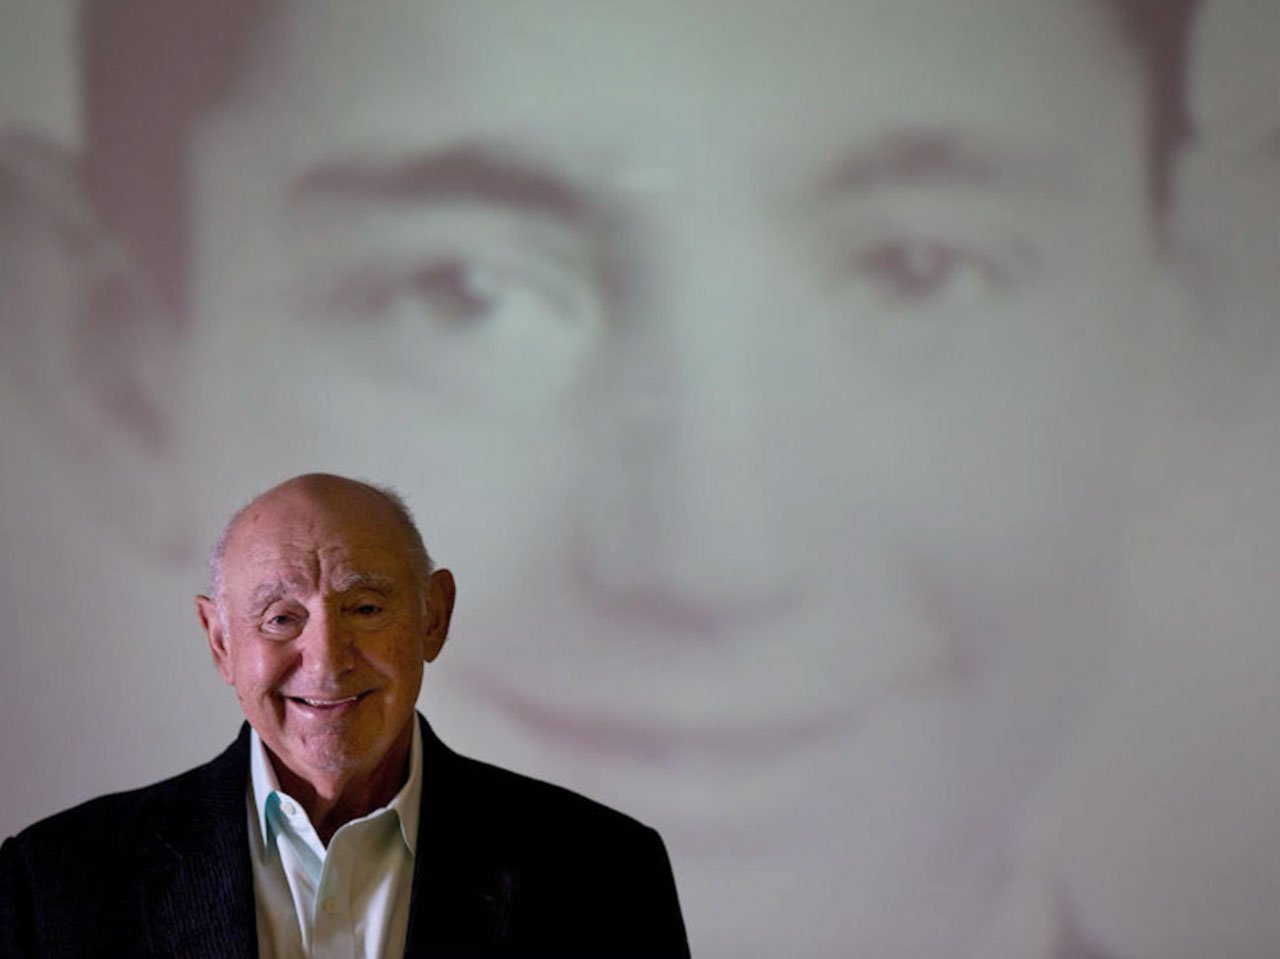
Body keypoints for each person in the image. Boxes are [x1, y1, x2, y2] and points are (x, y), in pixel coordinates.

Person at [6, 1, 1234, 956]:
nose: (713, 561)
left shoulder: (611, 868)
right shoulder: (51, 894)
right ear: (113, 373)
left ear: (1188, 326)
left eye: (918, 265)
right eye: (460, 292)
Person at [0, 473, 690, 958]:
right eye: (280, 617)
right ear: (220, 641)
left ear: (433, 617)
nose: (326, 661)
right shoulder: (57, 882)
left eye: (364, 608)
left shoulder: (604, 873)